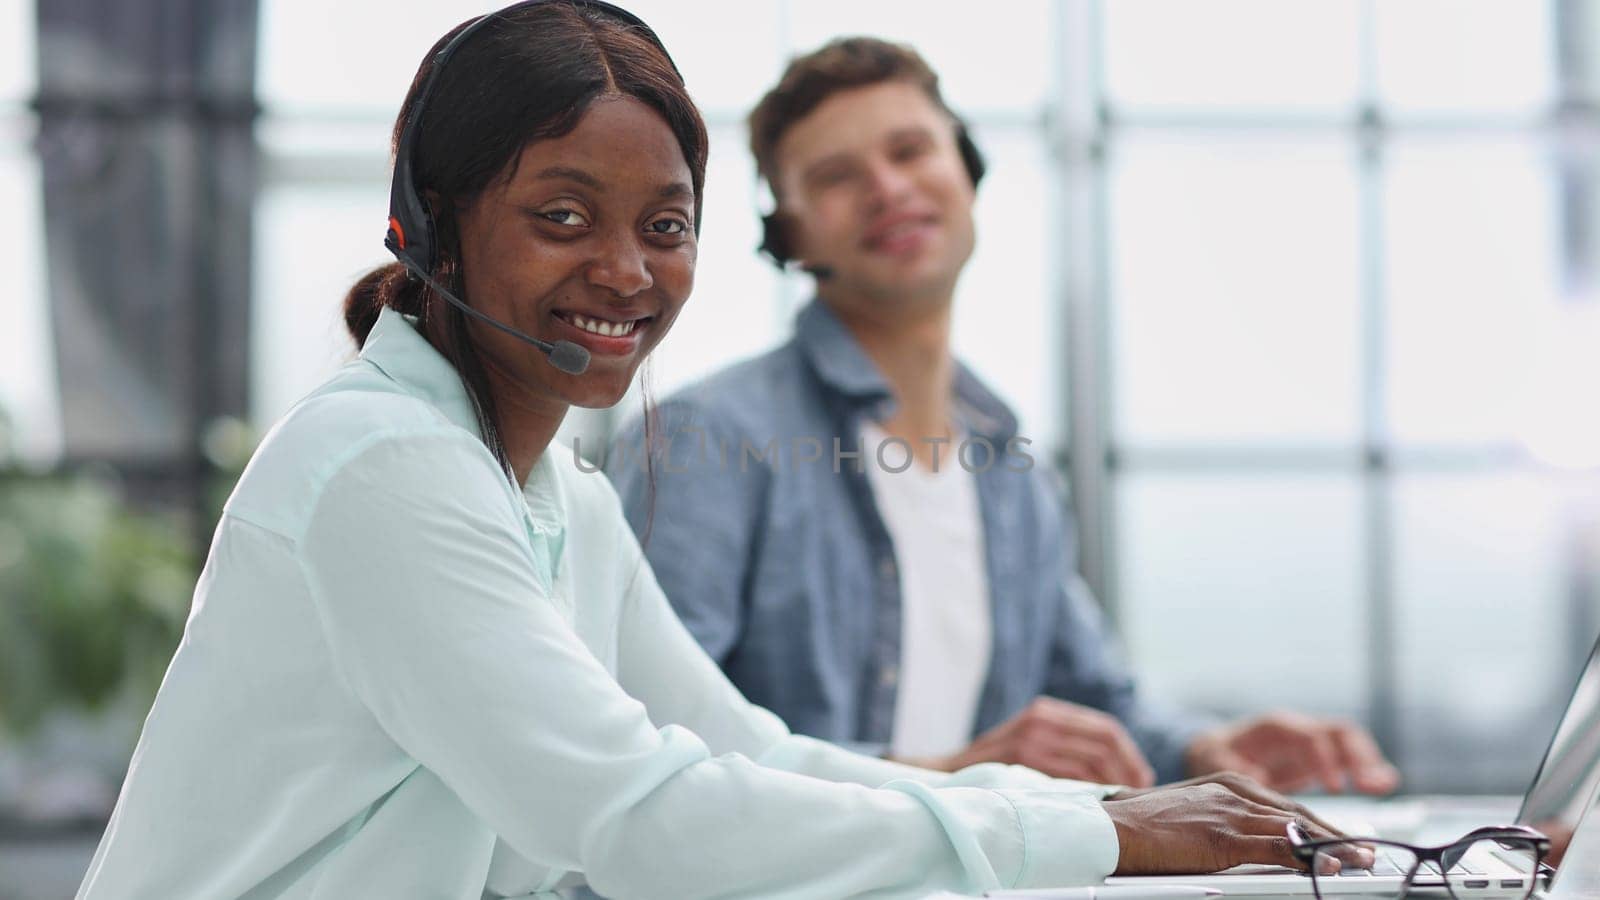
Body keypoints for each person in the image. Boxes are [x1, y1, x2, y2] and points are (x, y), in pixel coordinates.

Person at [76, 5, 1367, 898]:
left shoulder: (553, 491)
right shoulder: (387, 465)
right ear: (429, 228)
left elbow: (738, 746)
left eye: (664, 222)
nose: (626, 270)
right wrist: (1081, 836)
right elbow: (642, 820)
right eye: (562, 216)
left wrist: (1110, 814)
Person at [605, 36, 1403, 797]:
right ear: (789, 235)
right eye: (839, 176)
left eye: (911, 150)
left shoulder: (1005, 467)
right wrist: (943, 776)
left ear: (968, 168)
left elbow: (1096, 704)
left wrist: (1207, 750)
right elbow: (653, 745)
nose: (888, 187)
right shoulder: (704, 441)